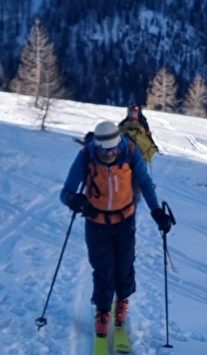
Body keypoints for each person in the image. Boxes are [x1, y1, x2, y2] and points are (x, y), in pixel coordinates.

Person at [61, 120, 173, 338]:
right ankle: (103, 312)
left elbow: (145, 183)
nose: (111, 153)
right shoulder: (86, 155)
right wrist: (73, 200)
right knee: (103, 269)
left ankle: (122, 302)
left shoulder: (129, 151)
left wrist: (156, 211)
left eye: (114, 148)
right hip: (96, 222)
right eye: (106, 150)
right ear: (98, 146)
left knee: (124, 264)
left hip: (125, 220)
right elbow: (66, 191)